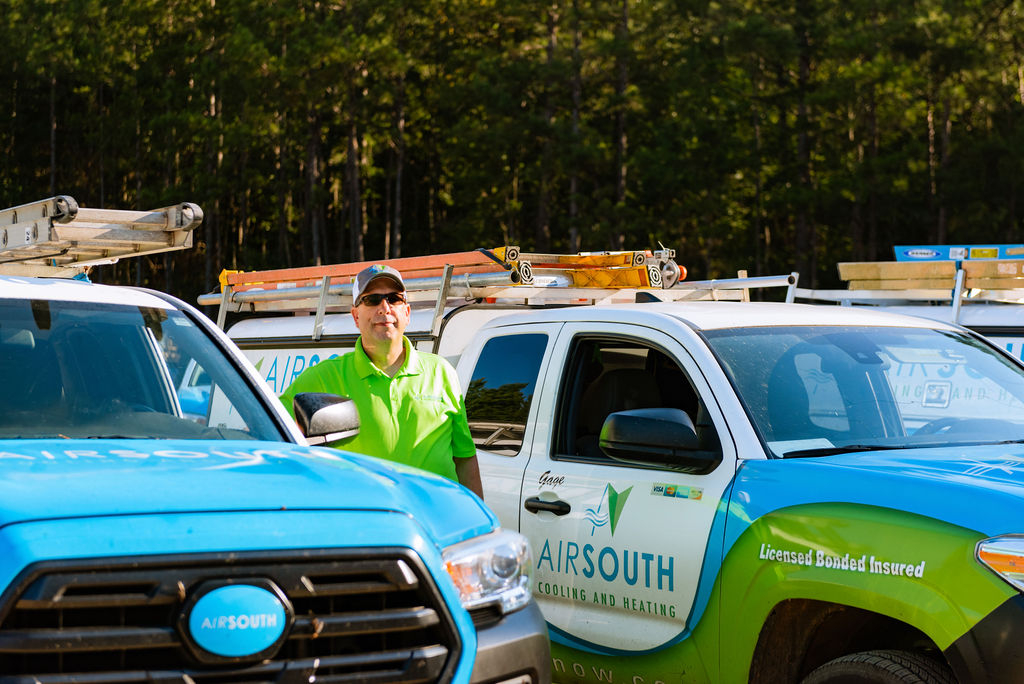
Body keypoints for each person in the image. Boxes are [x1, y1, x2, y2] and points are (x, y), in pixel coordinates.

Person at [280, 264, 484, 498]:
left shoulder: (442, 372)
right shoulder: (323, 378)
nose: (384, 307)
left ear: (407, 312)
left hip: (438, 525)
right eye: (372, 299)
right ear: (356, 316)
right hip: (370, 528)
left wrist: (483, 520)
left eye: (393, 298)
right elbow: (271, 432)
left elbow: (465, 459)